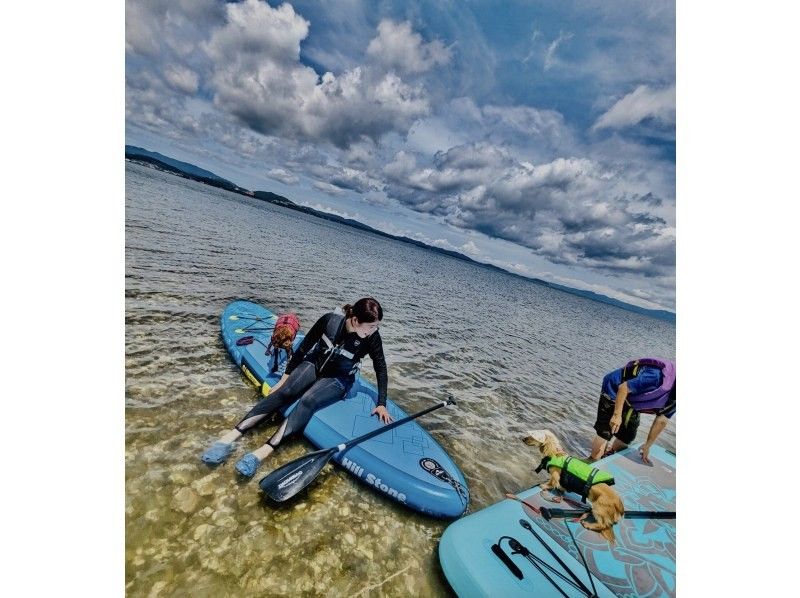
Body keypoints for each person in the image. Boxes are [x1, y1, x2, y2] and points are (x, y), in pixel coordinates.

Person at [201, 297, 392, 478]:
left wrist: (381, 403)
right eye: (372, 326)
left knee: (308, 399)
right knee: (286, 392)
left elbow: (381, 368)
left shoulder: (372, 339)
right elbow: (303, 347)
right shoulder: (329, 321)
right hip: (314, 364)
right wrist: (284, 380)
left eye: (377, 326)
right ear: (356, 320)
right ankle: (231, 436)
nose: (375, 330)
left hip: (339, 378)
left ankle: (263, 451)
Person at [589, 358, 676, 465]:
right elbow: (623, 388)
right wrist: (616, 415)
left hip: (633, 400)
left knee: (627, 436)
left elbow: (662, 420)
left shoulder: (675, 399)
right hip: (614, 388)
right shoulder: (656, 377)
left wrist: (647, 445)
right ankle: (593, 460)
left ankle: (610, 453)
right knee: (606, 432)